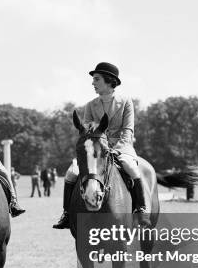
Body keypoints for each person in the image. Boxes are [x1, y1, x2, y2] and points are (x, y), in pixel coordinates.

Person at [53, 62, 151, 229]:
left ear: (109, 81)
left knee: (131, 167)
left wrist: (116, 149)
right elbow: (86, 131)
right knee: (71, 172)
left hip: (122, 147)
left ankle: (141, 211)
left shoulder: (126, 102)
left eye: (96, 79)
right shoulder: (91, 105)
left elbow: (128, 130)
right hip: (97, 150)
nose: (93, 83)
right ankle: (67, 214)